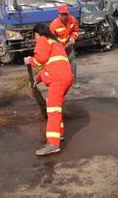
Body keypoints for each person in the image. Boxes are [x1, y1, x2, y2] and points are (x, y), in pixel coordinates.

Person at [24, 24, 74, 156]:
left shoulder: (42, 40)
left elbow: (40, 59)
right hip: (65, 78)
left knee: (52, 110)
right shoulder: (55, 42)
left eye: (34, 36)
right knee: (56, 108)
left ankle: (53, 144)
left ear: (37, 33)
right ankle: (59, 134)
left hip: (57, 80)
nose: (35, 39)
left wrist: (30, 60)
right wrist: (37, 79)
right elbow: (50, 64)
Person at [49, 5, 79, 81]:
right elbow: (51, 39)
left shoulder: (72, 20)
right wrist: (57, 48)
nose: (64, 16)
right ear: (58, 15)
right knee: (60, 66)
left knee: (73, 63)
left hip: (69, 47)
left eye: (66, 14)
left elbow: (76, 31)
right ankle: (60, 81)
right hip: (58, 49)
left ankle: (73, 81)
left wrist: (72, 38)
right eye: (62, 14)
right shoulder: (54, 25)